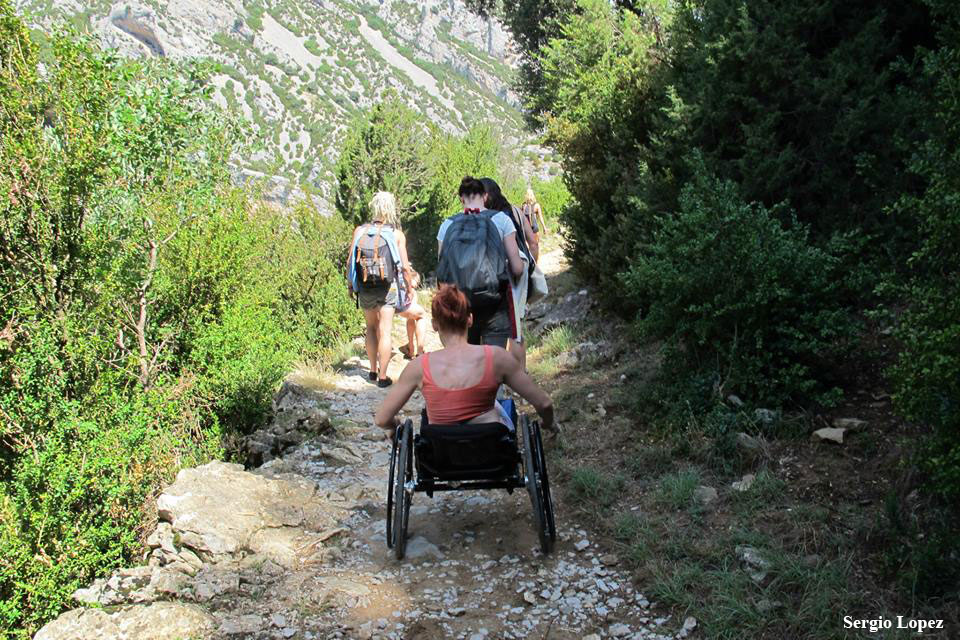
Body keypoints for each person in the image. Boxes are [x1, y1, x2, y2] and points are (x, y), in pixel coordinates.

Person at [374, 284, 554, 436]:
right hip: (491, 453)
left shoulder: (418, 367)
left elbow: (382, 419)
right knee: (503, 408)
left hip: (442, 459)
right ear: (470, 319)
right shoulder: (497, 357)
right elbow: (544, 403)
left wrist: (394, 427)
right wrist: (548, 423)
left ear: (435, 325)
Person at [437, 176, 524, 348]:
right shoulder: (501, 220)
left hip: (460, 304)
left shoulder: (447, 225)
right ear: (485, 196)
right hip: (495, 303)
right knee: (494, 360)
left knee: (468, 362)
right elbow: (517, 268)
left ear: (461, 198)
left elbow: (442, 270)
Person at [347, 191, 423, 388]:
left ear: (374, 207)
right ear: (391, 209)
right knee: (385, 330)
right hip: (387, 288)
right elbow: (405, 267)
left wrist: (350, 285)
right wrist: (408, 288)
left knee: (370, 328)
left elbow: (350, 263)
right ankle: (382, 376)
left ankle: (371, 371)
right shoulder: (396, 235)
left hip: (365, 287)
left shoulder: (359, 232)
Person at [480, 177, 534, 369]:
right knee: (517, 330)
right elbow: (533, 242)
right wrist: (532, 268)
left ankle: (499, 376)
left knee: (502, 330)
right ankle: (521, 374)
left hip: (498, 278)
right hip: (518, 275)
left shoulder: (488, 219)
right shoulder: (517, 212)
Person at [521, 187, 548, 262]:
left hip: (526, 229)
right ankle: (536, 263)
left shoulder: (523, 205)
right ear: (533, 195)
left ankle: (529, 262)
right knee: (535, 247)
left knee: (527, 247)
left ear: (526, 195)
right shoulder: (536, 205)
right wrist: (544, 228)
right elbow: (540, 217)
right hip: (534, 228)